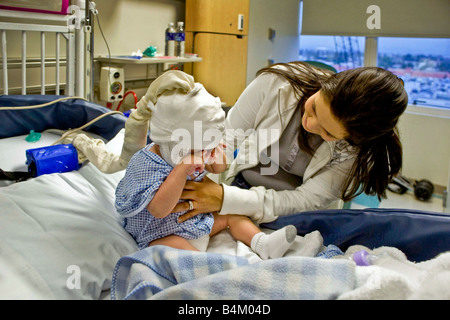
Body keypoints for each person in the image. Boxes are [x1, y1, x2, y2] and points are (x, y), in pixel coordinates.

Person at [175, 62, 408, 225]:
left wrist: (224, 198)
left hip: (296, 211)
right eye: (314, 106)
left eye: (327, 132)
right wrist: (204, 178)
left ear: (352, 139)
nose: (309, 123)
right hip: (241, 186)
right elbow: (226, 138)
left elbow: (306, 200)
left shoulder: (359, 150)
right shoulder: (275, 84)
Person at [115, 70, 297, 259]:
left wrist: (215, 150)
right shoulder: (145, 163)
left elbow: (218, 168)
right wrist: (181, 169)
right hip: (161, 232)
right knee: (166, 247)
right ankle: (208, 265)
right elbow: (158, 210)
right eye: (197, 148)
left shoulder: (198, 148)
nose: (201, 154)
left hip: (196, 221)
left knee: (232, 216)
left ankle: (263, 244)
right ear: (170, 141)